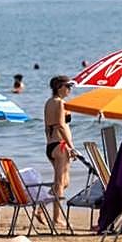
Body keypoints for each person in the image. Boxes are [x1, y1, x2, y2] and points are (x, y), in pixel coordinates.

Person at [44, 76, 76, 223]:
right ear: (59, 87)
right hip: (60, 144)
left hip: (52, 144)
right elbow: (61, 125)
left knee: (64, 182)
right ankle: (56, 218)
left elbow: (47, 126)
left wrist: (50, 142)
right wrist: (71, 146)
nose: (69, 89)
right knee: (59, 183)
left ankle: (41, 207)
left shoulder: (49, 103)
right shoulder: (60, 103)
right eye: (67, 86)